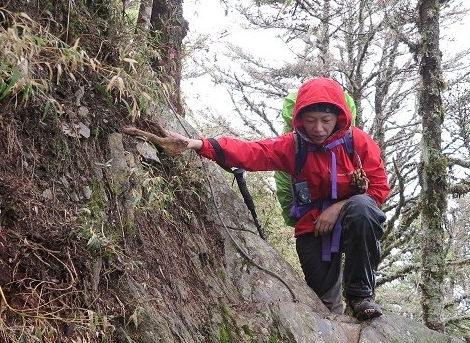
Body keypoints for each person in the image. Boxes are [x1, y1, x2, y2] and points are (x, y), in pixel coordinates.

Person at [133, 78, 390, 320]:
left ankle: (360, 297)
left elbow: (378, 189)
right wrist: (196, 144)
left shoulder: (357, 142)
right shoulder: (294, 145)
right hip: (313, 227)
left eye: (326, 120)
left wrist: (337, 208)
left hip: (351, 218)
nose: (319, 128)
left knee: (363, 208)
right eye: (311, 120)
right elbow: (251, 152)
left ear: (339, 118)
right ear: (300, 119)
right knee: (325, 304)